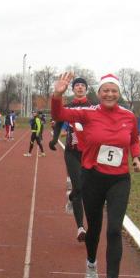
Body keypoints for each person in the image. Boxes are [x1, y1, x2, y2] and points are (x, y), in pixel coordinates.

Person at [50, 72, 140, 278]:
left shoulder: (128, 116)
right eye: (105, 90)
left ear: (119, 93)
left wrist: (136, 157)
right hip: (93, 177)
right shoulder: (88, 113)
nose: (110, 94)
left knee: (114, 230)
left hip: (119, 180)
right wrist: (57, 95)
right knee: (94, 228)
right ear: (99, 93)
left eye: (114, 90)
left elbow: (133, 139)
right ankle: (91, 263)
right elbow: (59, 114)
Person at [49, 76, 91, 242]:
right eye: (77, 85)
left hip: (90, 153)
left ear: (86, 89)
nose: (80, 87)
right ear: (73, 89)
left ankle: (73, 196)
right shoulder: (68, 107)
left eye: (82, 85)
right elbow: (59, 122)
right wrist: (54, 139)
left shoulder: (94, 107)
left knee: (86, 189)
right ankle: (80, 228)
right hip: (72, 152)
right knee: (78, 187)